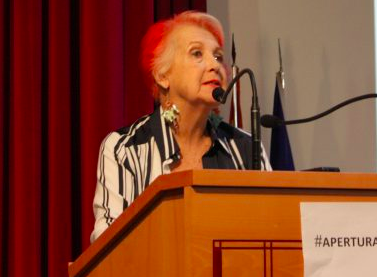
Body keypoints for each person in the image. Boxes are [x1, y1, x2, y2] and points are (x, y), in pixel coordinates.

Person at [91, 11, 271, 242]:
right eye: (197, 53)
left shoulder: (246, 147)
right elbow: (107, 245)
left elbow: (271, 233)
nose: (214, 65)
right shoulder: (125, 149)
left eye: (217, 57)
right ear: (162, 76)